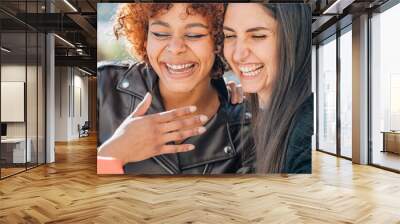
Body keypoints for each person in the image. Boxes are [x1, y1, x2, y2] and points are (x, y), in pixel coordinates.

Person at [97, 3, 254, 174]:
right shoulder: (101, 88)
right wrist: (114, 154)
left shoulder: (250, 129)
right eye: (160, 34)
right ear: (145, 36)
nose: (176, 48)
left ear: (221, 41)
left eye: (194, 35)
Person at [223, 3, 313, 173]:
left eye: (257, 36)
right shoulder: (264, 114)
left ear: (294, 38)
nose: (237, 55)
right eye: (229, 35)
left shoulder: (305, 133)